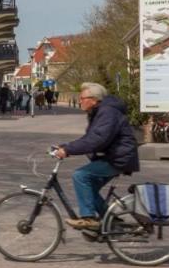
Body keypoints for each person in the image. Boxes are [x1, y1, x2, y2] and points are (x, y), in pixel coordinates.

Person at [51, 82, 140, 230]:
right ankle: (109, 220)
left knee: (80, 175)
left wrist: (68, 150)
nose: (79, 101)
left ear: (94, 99)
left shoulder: (107, 113)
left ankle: (89, 218)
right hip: (112, 156)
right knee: (89, 188)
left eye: (82, 98)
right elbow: (89, 139)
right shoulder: (99, 112)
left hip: (119, 158)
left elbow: (96, 140)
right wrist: (66, 147)